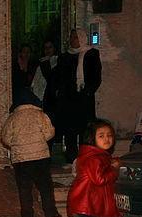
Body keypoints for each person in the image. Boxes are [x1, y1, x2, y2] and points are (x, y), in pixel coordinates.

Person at [61, 119, 120, 217]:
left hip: (82, 202)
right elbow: (100, 180)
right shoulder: (94, 158)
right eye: (101, 136)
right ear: (92, 139)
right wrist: (114, 170)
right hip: (85, 203)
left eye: (109, 135)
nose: (107, 139)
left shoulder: (94, 156)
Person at [1, 87, 61, 217]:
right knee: (45, 187)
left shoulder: (12, 118)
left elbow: (5, 138)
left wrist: (16, 145)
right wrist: (40, 140)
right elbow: (50, 133)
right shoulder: (40, 115)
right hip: (40, 157)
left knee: (24, 188)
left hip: (21, 160)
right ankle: (50, 213)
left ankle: (27, 216)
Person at [56, 29, 102, 164]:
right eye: (71, 37)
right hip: (69, 98)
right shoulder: (65, 57)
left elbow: (96, 76)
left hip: (84, 97)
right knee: (70, 129)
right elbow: (61, 77)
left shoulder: (91, 54)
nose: (72, 40)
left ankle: (85, 156)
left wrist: (88, 91)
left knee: (85, 128)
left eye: (75, 37)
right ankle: (71, 158)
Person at [31, 39, 60, 146]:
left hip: (52, 100)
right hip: (40, 99)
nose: (47, 50)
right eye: (45, 48)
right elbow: (35, 82)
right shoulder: (40, 63)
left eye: (50, 47)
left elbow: (52, 79)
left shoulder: (57, 62)